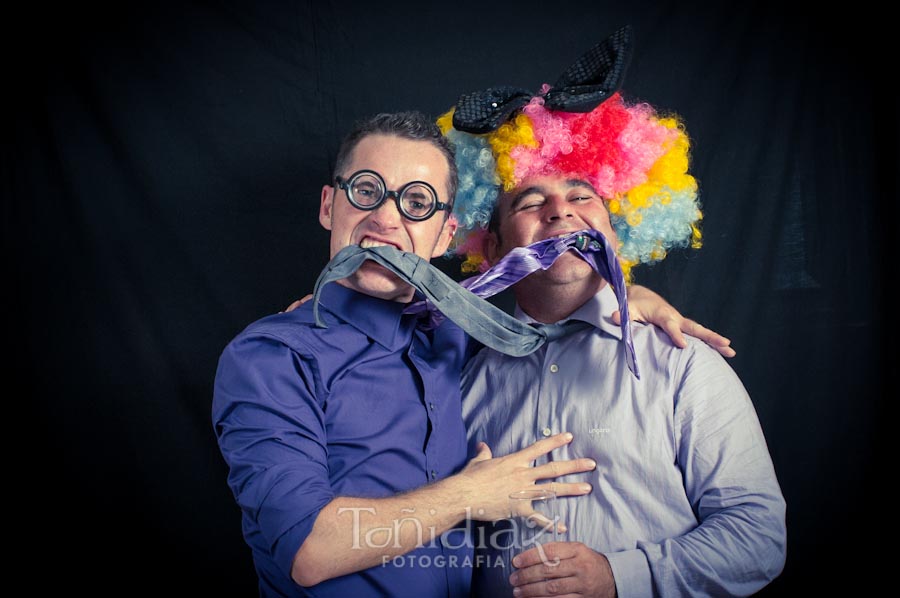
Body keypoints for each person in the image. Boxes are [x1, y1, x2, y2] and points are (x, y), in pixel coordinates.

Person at [214, 110, 734, 596]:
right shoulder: (271, 357)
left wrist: (626, 297)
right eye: (367, 191)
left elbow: (547, 300)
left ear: (444, 233)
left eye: (416, 202)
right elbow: (309, 550)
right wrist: (470, 495)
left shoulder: (457, 337)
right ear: (330, 205)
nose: (386, 219)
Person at [444, 27, 787, 597]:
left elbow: (758, 537)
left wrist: (619, 577)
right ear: (494, 247)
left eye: (582, 196)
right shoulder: (457, 375)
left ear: (616, 229)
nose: (560, 212)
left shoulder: (682, 365)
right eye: (530, 201)